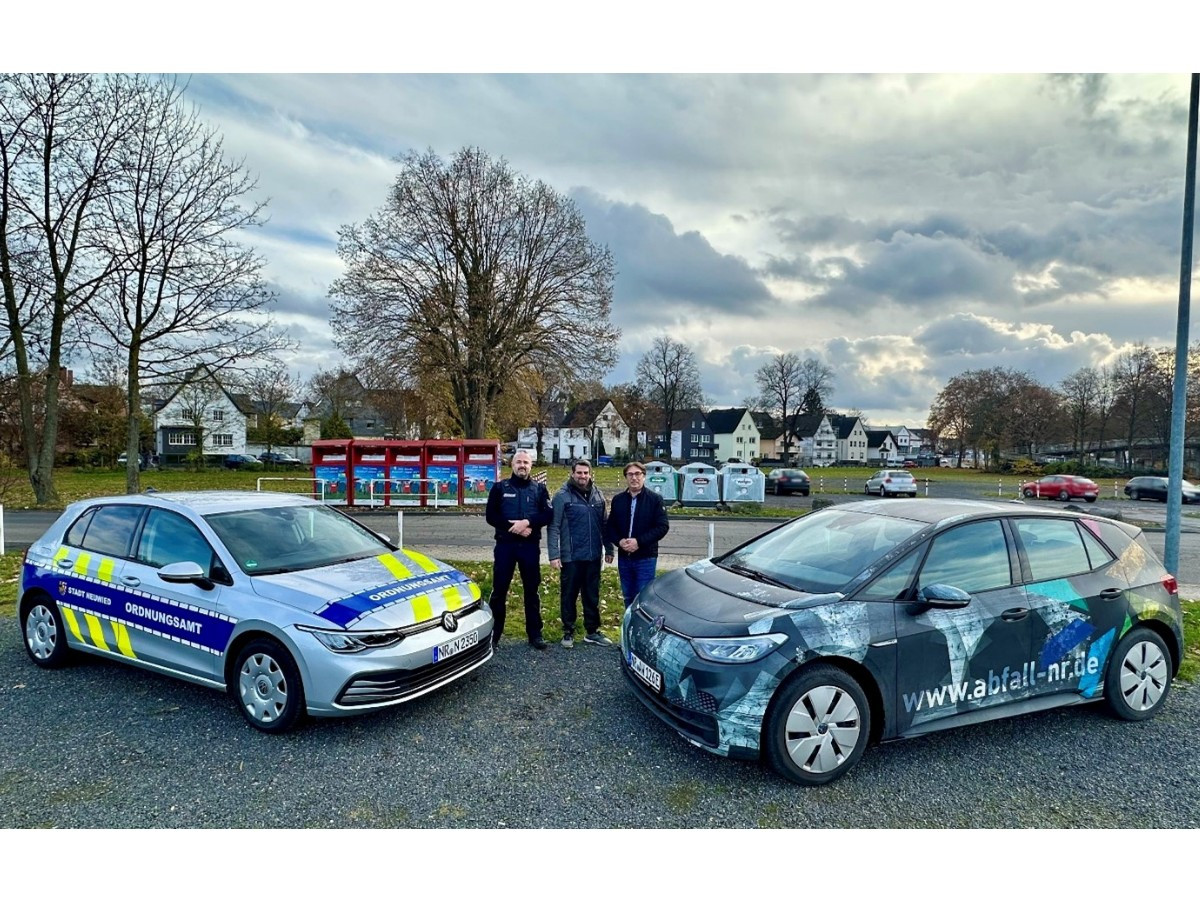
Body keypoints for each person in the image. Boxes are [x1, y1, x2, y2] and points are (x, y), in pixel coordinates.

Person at [485, 449, 554, 650]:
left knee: (532, 591)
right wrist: (512, 527)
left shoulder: (540, 490)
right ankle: (494, 635)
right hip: (505, 547)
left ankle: (535, 634)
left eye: (526, 462)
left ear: (531, 466)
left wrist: (527, 522)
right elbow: (491, 516)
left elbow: (548, 515)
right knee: (499, 591)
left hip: (530, 548)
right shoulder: (499, 488)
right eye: (518, 462)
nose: (522, 465)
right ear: (512, 465)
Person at [548, 458, 614, 648]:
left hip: (593, 556)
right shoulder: (562, 496)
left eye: (586, 473)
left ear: (590, 474)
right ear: (572, 473)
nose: (582, 476)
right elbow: (553, 527)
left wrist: (609, 549)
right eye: (579, 473)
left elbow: (604, 525)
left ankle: (592, 632)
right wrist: (554, 555)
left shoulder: (598, 495)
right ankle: (568, 631)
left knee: (591, 595)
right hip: (571, 557)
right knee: (569, 595)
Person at [604, 460, 670, 608]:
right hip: (624, 558)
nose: (634, 478)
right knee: (628, 596)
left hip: (645, 558)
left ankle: (642, 627)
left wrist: (638, 542)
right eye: (630, 474)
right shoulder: (618, 500)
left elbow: (662, 527)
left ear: (644, 476)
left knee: (643, 598)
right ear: (626, 477)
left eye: (637, 474)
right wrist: (619, 541)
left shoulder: (655, 500)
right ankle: (629, 626)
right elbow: (610, 526)